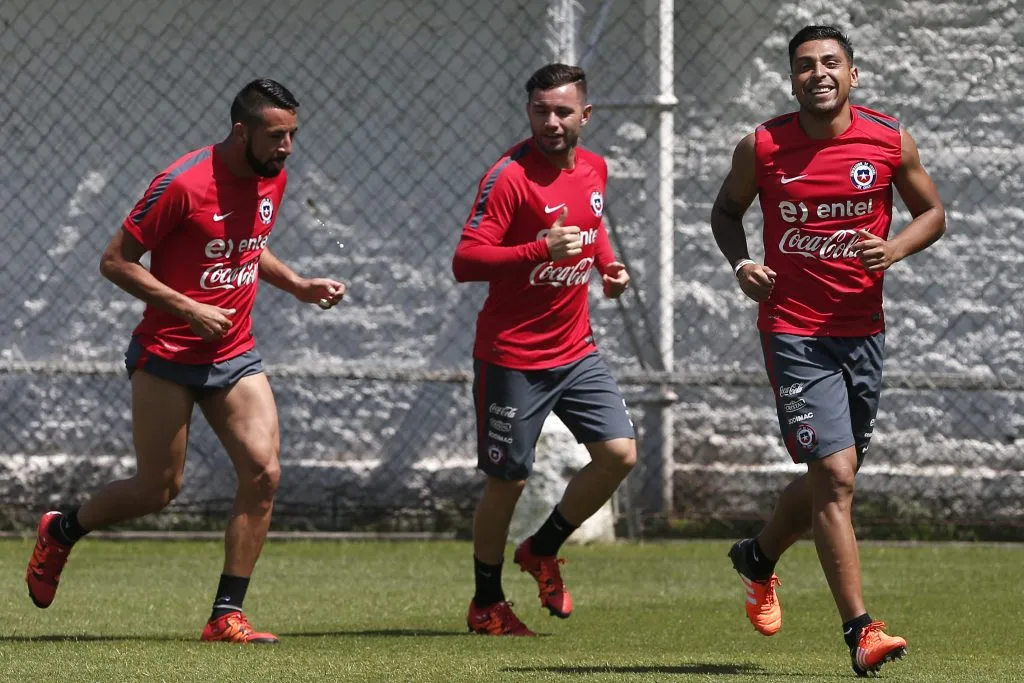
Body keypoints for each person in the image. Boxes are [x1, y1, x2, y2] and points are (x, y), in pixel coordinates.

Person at [25, 78, 346, 644]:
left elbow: (246, 243)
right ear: (241, 131)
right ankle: (62, 530)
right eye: (277, 136)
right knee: (159, 489)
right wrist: (188, 308)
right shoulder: (182, 182)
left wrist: (296, 284)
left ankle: (226, 615)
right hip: (167, 353)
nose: (288, 147)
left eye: (293, 135)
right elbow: (116, 261)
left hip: (234, 352)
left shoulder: (273, 177)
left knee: (264, 473)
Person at [710, 25, 945, 676]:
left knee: (829, 477)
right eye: (806, 65)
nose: (819, 73)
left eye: (831, 63)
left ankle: (758, 557)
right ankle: (861, 630)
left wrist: (894, 249)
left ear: (853, 74)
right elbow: (725, 214)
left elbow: (934, 213)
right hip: (793, 330)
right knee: (836, 475)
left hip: (863, 333)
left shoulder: (888, 139)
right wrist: (742, 265)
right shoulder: (762, 146)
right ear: (792, 79)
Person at [452, 63, 637, 636]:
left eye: (562, 111)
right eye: (540, 110)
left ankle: (542, 548)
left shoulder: (595, 168)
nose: (551, 121)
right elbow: (466, 260)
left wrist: (608, 266)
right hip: (511, 357)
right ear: (529, 111)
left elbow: (593, 225)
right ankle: (486, 601)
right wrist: (536, 249)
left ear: (585, 115)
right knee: (507, 480)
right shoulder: (508, 177)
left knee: (619, 455)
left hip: (576, 351)